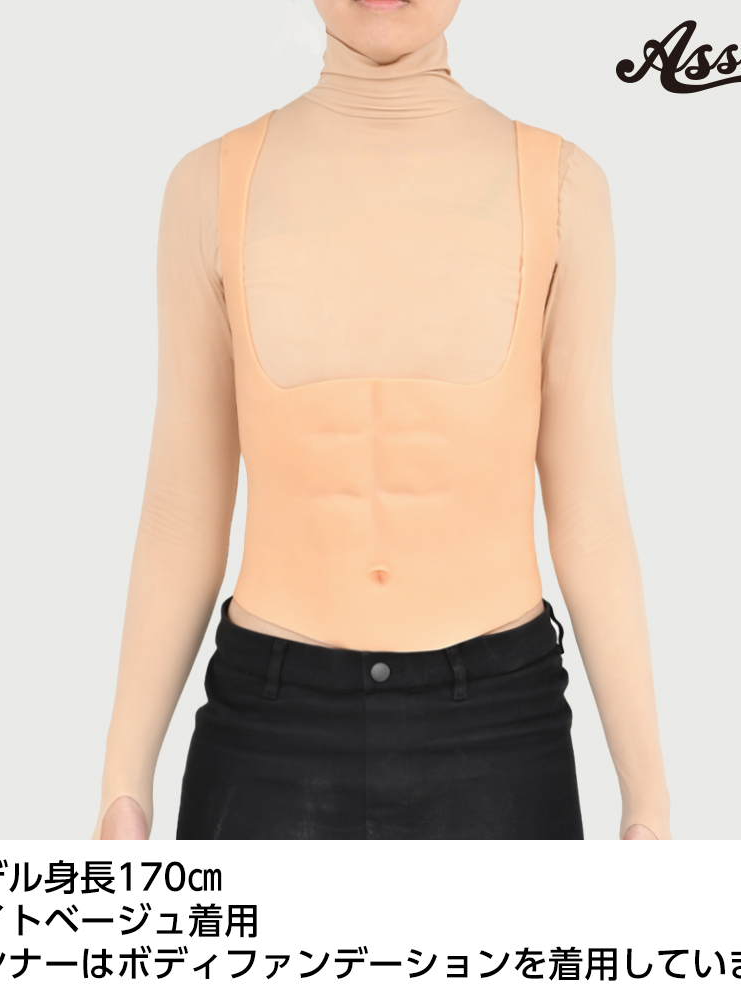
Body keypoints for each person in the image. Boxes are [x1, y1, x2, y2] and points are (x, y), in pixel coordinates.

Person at [93, 0, 670, 840]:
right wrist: (122, 787)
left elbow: (589, 515)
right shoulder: (208, 185)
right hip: (267, 738)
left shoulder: (562, 185)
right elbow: (182, 513)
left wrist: (648, 805)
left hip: (500, 738)